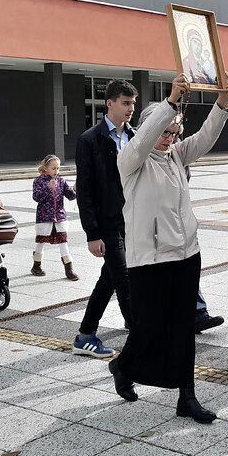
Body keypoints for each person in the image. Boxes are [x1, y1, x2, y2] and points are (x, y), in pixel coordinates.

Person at [108, 73, 228, 424]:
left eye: (175, 132)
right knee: (149, 327)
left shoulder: (176, 156)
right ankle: (124, 366)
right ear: (149, 129)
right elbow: (146, 137)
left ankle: (186, 396)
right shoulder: (131, 160)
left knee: (182, 328)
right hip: (149, 258)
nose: (171, 138)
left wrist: (223, 102)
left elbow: (205, 137)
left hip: (185, 255)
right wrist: (172, 102)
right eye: (165, 131)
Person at [72, 80, 139, 358]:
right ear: (109, 103)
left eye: (133, 103)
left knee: (108, 280)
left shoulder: (135, 136)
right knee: (124, 280)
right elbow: (84, 191)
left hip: (132, 220)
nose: (131, 108)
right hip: (108, 223)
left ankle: (85, 335)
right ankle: (142, 340)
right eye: (125, 103)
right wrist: (92, 233)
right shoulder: (90, 140)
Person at [31, 155, 79, 281]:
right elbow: (36, 197)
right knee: (41, 241)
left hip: (60, 216)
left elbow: (70, 196)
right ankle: (36, 265)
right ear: (45, 168)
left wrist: (75, 188)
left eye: (58, 168)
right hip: (44, 216)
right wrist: (48, 188)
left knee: (63, 242)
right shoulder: (39, 181)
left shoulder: (61, 181)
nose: (56, 171)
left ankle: (69, 270)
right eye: (53, 168)